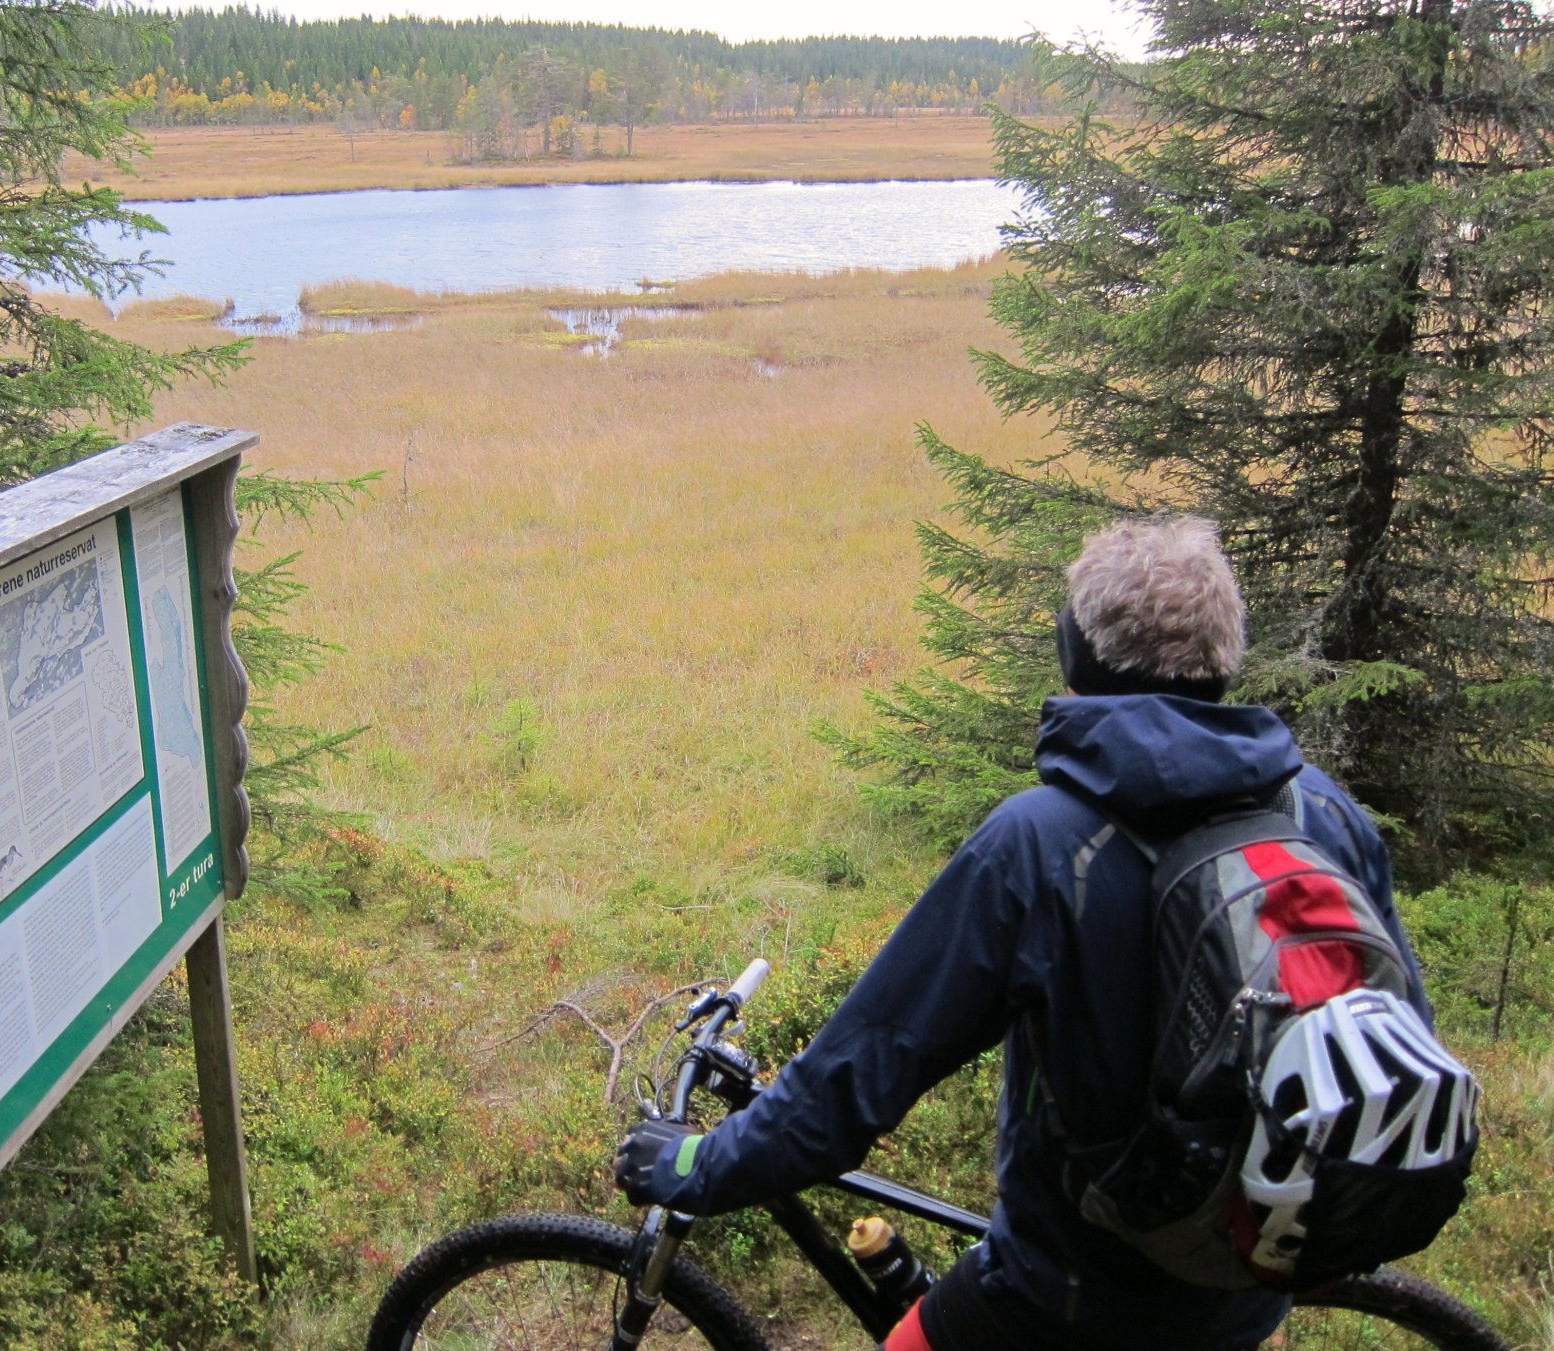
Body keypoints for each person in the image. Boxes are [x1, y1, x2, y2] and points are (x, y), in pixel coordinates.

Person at [613, 515, 1433, 1351]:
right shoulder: (1323, 813)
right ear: (1225, 654)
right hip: (1247, 1274)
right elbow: (1400, 1036)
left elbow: (855, 1079)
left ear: (1078, 654)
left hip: (1066, 1296)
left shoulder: (1040, 846)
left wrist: (695, 1166)